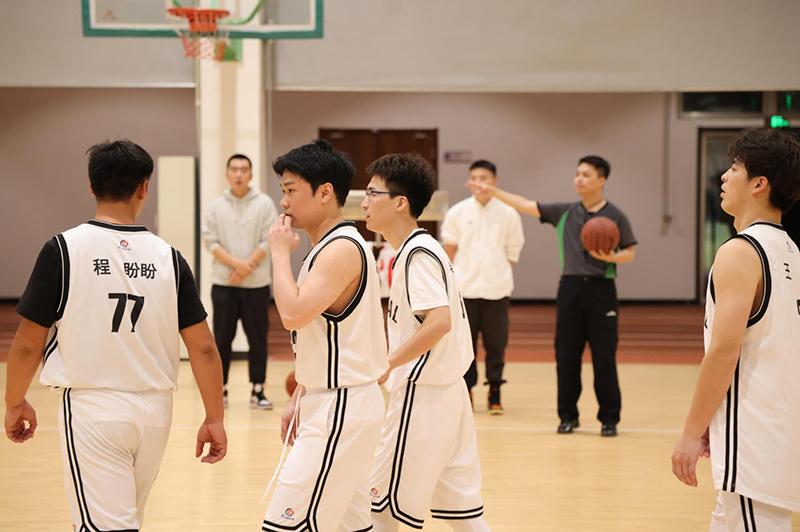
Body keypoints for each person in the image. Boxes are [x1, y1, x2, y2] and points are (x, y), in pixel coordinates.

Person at [4, 139, 227, 531]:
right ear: (144, 187)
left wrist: (14, 401)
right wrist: (214, 417)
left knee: (108, 525)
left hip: (93, 409)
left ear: (91, 186)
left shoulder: (63, 250)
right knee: (124, 520)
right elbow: (205, 349)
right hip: (156, 413)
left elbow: (26, 344)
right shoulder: (169, 258)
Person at [672, 127, 800, 531]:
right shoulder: (791, 251)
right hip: (777, 429)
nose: (724, 177)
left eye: (734, 168)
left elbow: (725, 352)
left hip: (754, 439)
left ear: (759, 184)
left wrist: (691, 432)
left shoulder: (741, 252)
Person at [262, 140, 388, 532]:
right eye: (282, 190)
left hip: (341, 407)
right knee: (352, 525)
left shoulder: (340, 248)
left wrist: (279, 254)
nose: (283, 201)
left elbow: (293, 315)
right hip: (337, 400)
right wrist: (300, 395)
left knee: (284, 525)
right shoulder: (330, 247)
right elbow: (327, 337)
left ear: (325, 192)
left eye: (291, 190)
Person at [363, 154, 492, 532]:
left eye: (372, 193)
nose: (364, 202)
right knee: (465, 518)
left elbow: (439, 322)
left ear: (400, 203)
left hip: (422, 398)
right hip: (450, 396)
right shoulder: (424, 248)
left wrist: (388, 362)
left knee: (380, 509)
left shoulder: (416, 255)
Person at [467, 155, 636, 436]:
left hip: (601, 289)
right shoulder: (564, 211)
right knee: (566, 357)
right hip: (570, 288)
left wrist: (612, 257)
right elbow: (526, 205)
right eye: (577, 173)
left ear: (601, 180)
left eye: (586, 174)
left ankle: (609, 419)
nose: (579, 179)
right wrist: (493, 191)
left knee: (604, 358)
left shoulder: (615, 215)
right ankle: (567, 416)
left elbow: (630, 252)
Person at [441, 159, 524, 414]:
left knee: (496, 344)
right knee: (465, 345)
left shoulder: (509, 214)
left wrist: (493, 270)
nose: (479, 183)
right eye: (474, 178)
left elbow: (512, 253)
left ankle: (495, 389)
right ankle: (466, 389)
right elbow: (449, 249)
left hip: (497, 290)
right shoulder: (457, 212)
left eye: (484, 178)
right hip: (464, 290)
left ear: (494, 182)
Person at [202, 153, 278, 410]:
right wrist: (238, 266)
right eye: (234, 169)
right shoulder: (216, 206)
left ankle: (258, 390)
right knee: (222, 339)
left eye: (243, 170)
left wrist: (246, 269)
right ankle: (220, 388)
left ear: (251, 175)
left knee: (258, 339)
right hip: (224, 284)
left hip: (256, 286)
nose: (238, 174)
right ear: (227, 174)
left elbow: (269, 239)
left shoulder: (264, 204)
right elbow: (210, 241)